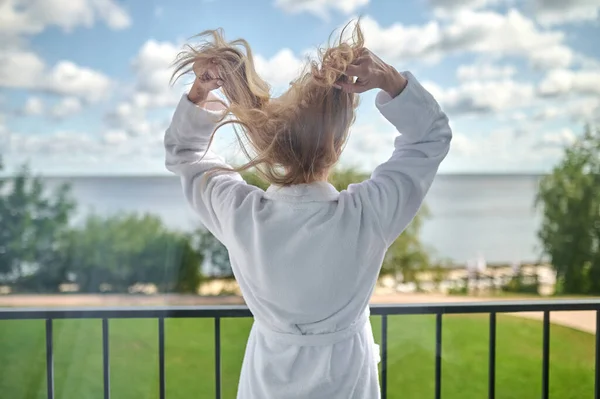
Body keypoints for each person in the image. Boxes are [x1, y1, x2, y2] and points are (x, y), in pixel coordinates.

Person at [164, 21, 452, 399]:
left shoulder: (241, 216)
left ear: (274, 143)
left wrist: (200, 92)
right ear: (337, 141)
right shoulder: (367, 215)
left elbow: (185, 154)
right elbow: (430, 138)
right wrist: (388, 79)